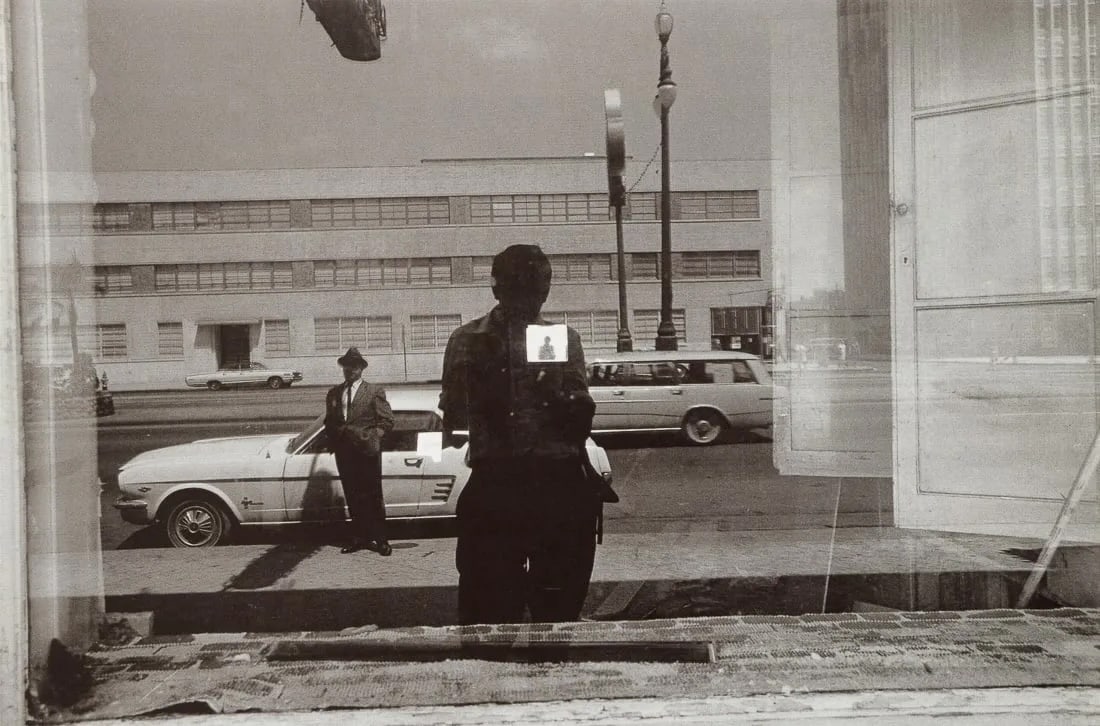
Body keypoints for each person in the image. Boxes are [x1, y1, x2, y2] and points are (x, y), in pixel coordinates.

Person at [440, 244, 600, 625]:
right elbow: (579, 417)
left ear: (495, 287)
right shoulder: (558, 338)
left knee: (492, 617)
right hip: (546, 485)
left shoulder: (466, 339)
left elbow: (453, 419)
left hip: (504, 485)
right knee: (551, 616)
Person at [324, 346, 395, 555]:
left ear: (361, 369)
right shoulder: (334, 393)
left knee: (373, 495)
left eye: (354, 366)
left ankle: (381, 539)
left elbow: (387, 420)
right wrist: (334, 439)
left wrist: (374, 438)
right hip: (344, 452)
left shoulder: (373, 391)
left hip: (367, 451)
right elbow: (330, 421)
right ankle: (359, 538)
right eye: (346, 366)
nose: (350, 370)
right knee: (352, 495)